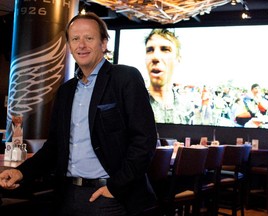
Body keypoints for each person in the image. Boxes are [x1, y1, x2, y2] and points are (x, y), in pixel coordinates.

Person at [0, 12, 158, 216]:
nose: (81, 45)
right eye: (75, 39)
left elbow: (145, 139)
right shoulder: (65, 91)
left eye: (89, 38)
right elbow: (54, 146)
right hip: (66, 195)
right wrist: (21, 171)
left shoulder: (125, 78)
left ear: (103, 43)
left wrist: (116, 187)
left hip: (109, 197)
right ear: (69, 45)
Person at [144, 28, 193, 124]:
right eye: (150, 50)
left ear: (177, 60)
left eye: (165, 49)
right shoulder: (133, 105)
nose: (155, 57)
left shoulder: (186, 108)